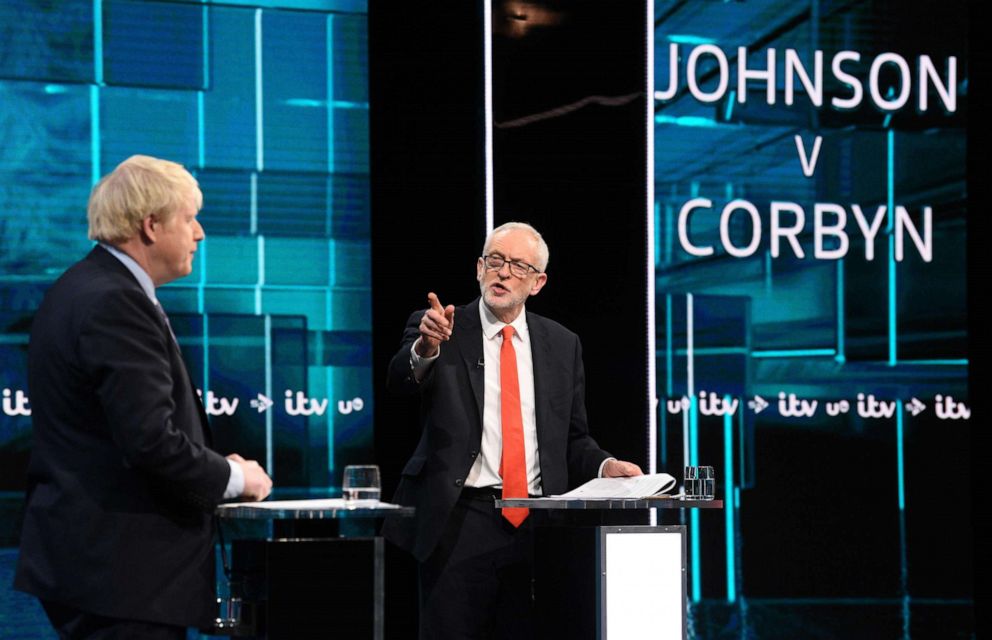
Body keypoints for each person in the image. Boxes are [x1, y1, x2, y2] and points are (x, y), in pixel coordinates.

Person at [13, 155, 273, 639]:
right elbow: (149, 441)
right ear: (151, 225)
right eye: (190, 219)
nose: (199, 233)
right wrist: (237, 477)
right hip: (121, 576)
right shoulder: (114, 300)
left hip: (105, 573)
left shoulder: (84, 287)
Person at [383, 221, 642, 639]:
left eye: (517, 266)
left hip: (539, 528)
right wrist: (425, 348)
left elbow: (573, 439)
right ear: (478, 268)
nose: (502, 273)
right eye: (495, 261)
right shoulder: (441, 326)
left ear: (538, 282)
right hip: (458, 522)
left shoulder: (562, 343)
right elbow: (400, 382)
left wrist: (605, 465)